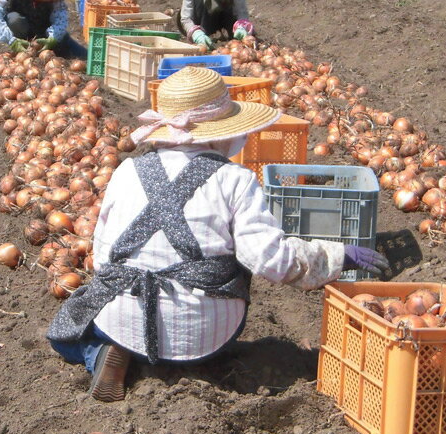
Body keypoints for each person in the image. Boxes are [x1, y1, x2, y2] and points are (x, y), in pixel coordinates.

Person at [47, 67, 388, 402]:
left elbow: (104, 254)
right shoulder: (235, 180)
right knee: (228, 269)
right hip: (203, 331)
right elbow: (270, 260)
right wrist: (337, 255)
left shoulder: (126, 170)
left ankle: (106, 351)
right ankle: (199, 358)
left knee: (69, 331)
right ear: (221, 131)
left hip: (124, 316)